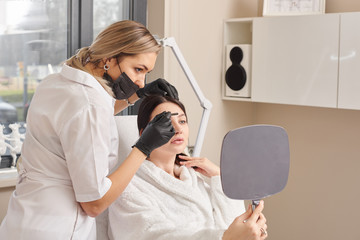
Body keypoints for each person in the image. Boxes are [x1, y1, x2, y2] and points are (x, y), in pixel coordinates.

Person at [0, 20, 178, 240]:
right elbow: (94, 204)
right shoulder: (90, 105)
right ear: (109, 58)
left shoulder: (54, 83)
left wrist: (136, 96)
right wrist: (143, 147)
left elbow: (83, 117)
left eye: (146, 73)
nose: (141, 82)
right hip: (58, 229)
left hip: (21, 222)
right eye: (138, 69)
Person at [108, 95, 268, 240]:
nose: (178, 129)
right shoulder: (128, 189)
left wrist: (219, 177)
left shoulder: (192, 178)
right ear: (145, 134)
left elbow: (230, 225)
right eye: (166, 123)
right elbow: (153, 235)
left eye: (182, 121)